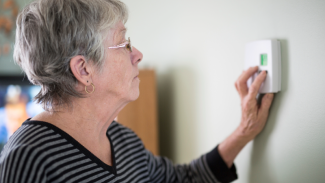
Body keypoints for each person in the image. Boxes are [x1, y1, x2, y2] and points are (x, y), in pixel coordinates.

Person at [0, 0, 274, 182]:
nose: (138, 54)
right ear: (84, 70)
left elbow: (185, 179)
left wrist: (245, 130)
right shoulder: (29, 158)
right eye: (124, 44)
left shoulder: (123, 141)